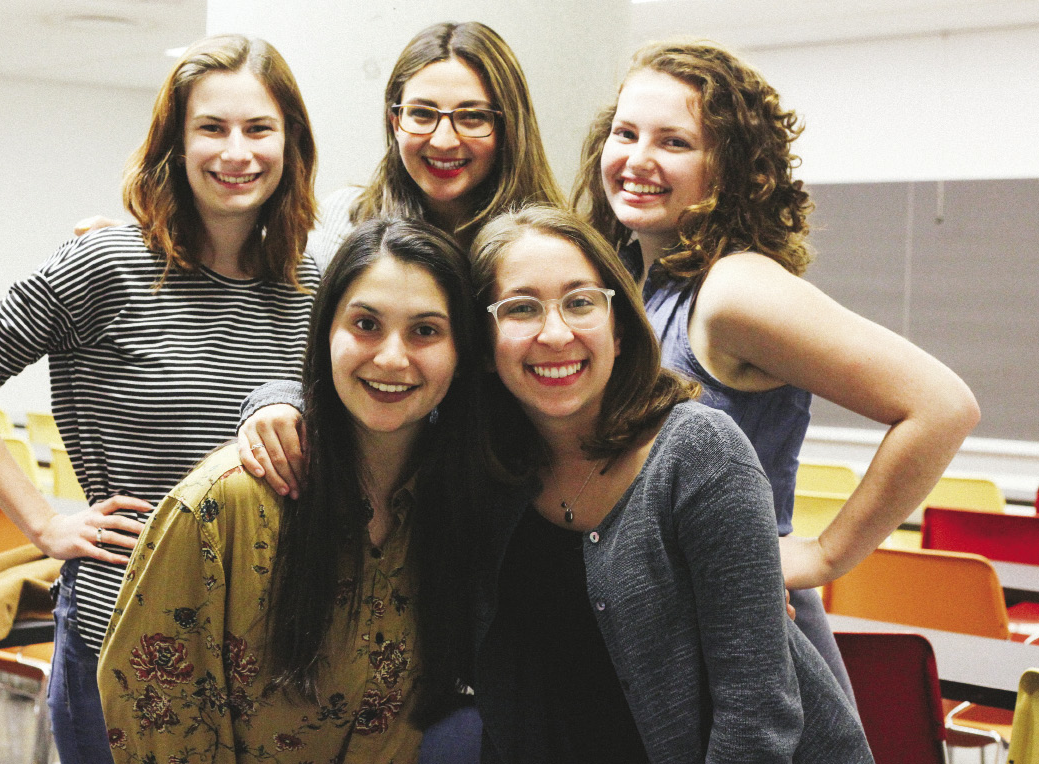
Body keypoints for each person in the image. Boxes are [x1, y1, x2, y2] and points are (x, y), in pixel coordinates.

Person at [0, 34, 319, 764]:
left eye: (260, 129)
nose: (238, 152)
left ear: (291, 143)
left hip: (262, 643)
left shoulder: (310, 287)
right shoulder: (108, 263)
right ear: (175, 141)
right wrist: (44, 526)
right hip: (122, 628)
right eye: (212, 128)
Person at [570, 40, 980, 698]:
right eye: (626, 132)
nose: (638, 159)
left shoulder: (733, 287)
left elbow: (942, 405)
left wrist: (823, 556)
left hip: (749, 645)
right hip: (670, 634)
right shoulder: (638, 285)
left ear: (727, 168)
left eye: (674, 142)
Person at [469, 205, 872, 763]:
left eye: (581, 301)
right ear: (482, 344)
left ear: (617, 323)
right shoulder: (491, 477)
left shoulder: (699, 454)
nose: (556, 332)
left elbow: (756, 721)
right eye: (520, 308)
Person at [98, 218, 484, 764]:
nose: (392, 358)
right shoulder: (221, 506)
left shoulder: (461, 503)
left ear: (461, 350)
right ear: (326, 332)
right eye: (366, 324)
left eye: (426, 331)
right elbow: (160, 715)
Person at [237, 20, 565, 495]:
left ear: (507, 124)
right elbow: (300, 353)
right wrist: (277, 401)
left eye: (472, 116)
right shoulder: (342, 222)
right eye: (422, 113)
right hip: (369, 492)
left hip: (513, 489)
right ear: (395, 121)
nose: (444, 140)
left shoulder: (543, 248)